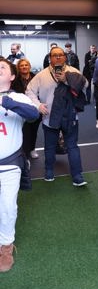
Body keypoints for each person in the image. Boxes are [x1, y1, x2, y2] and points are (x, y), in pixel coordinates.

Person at [26, 46, 88, 186]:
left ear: (65, 57)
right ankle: (48, 171)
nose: (58, 57)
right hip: (49, 117)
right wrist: (38, 105)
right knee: (49, 147)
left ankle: (77, 176)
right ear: (50, 58)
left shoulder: (73, 71)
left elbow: (86, 84)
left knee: (72, 146)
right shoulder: (41, 75)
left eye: (61, 54)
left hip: (70, 116)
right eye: (55, 55)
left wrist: (67, 80)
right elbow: (29, 91)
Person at [0, 59, 39, 272]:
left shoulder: (18, 97)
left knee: (7, 206)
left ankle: (6, 246)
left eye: (2, 68)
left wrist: (8, 102)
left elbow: (33, 115)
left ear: (12, 76)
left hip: (9, 164)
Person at [12, 58, 42, 161]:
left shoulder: (36, 77)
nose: (24, 67)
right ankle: (24, 153)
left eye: (26, 65)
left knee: (34, 130)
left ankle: (32, 149)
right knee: (24, 131)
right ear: (18, 68)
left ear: (29, 66)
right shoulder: (15, 80)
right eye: (21, 65)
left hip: (35, 108)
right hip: (22, 110)